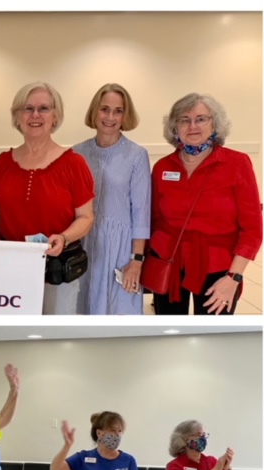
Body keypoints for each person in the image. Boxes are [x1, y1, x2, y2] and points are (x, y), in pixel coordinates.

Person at [148, 93, 262, 315]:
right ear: (174, 127)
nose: (192, 126)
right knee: (170, 331)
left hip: (219, 268)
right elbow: (154, 221)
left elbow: (252, 230)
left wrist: (233, 278)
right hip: (170, 264)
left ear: (214, 123)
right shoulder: (162, 168)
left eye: (201, 119)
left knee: (212, 335)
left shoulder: (237, 164)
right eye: (184, 119)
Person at [0, 82, 95, 315]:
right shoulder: (3, 163)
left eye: (43, 108)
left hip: (56, 270)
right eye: (28, 109)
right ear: (17, 116)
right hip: (10, 268)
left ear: (55, 117)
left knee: (52, 340)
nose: (35, 115)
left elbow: (86, 217)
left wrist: (64, 238)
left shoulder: (73, 164)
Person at [73, 83, 151, 315]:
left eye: (118, 111)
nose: (110, 117)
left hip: (120, 248)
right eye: (105, 109)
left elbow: (141, 212)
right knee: (81, 309)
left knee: (118, 312)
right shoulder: (77, 153)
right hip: (83, 243)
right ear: (94, 111)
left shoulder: (137, 155)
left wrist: (136, 261)